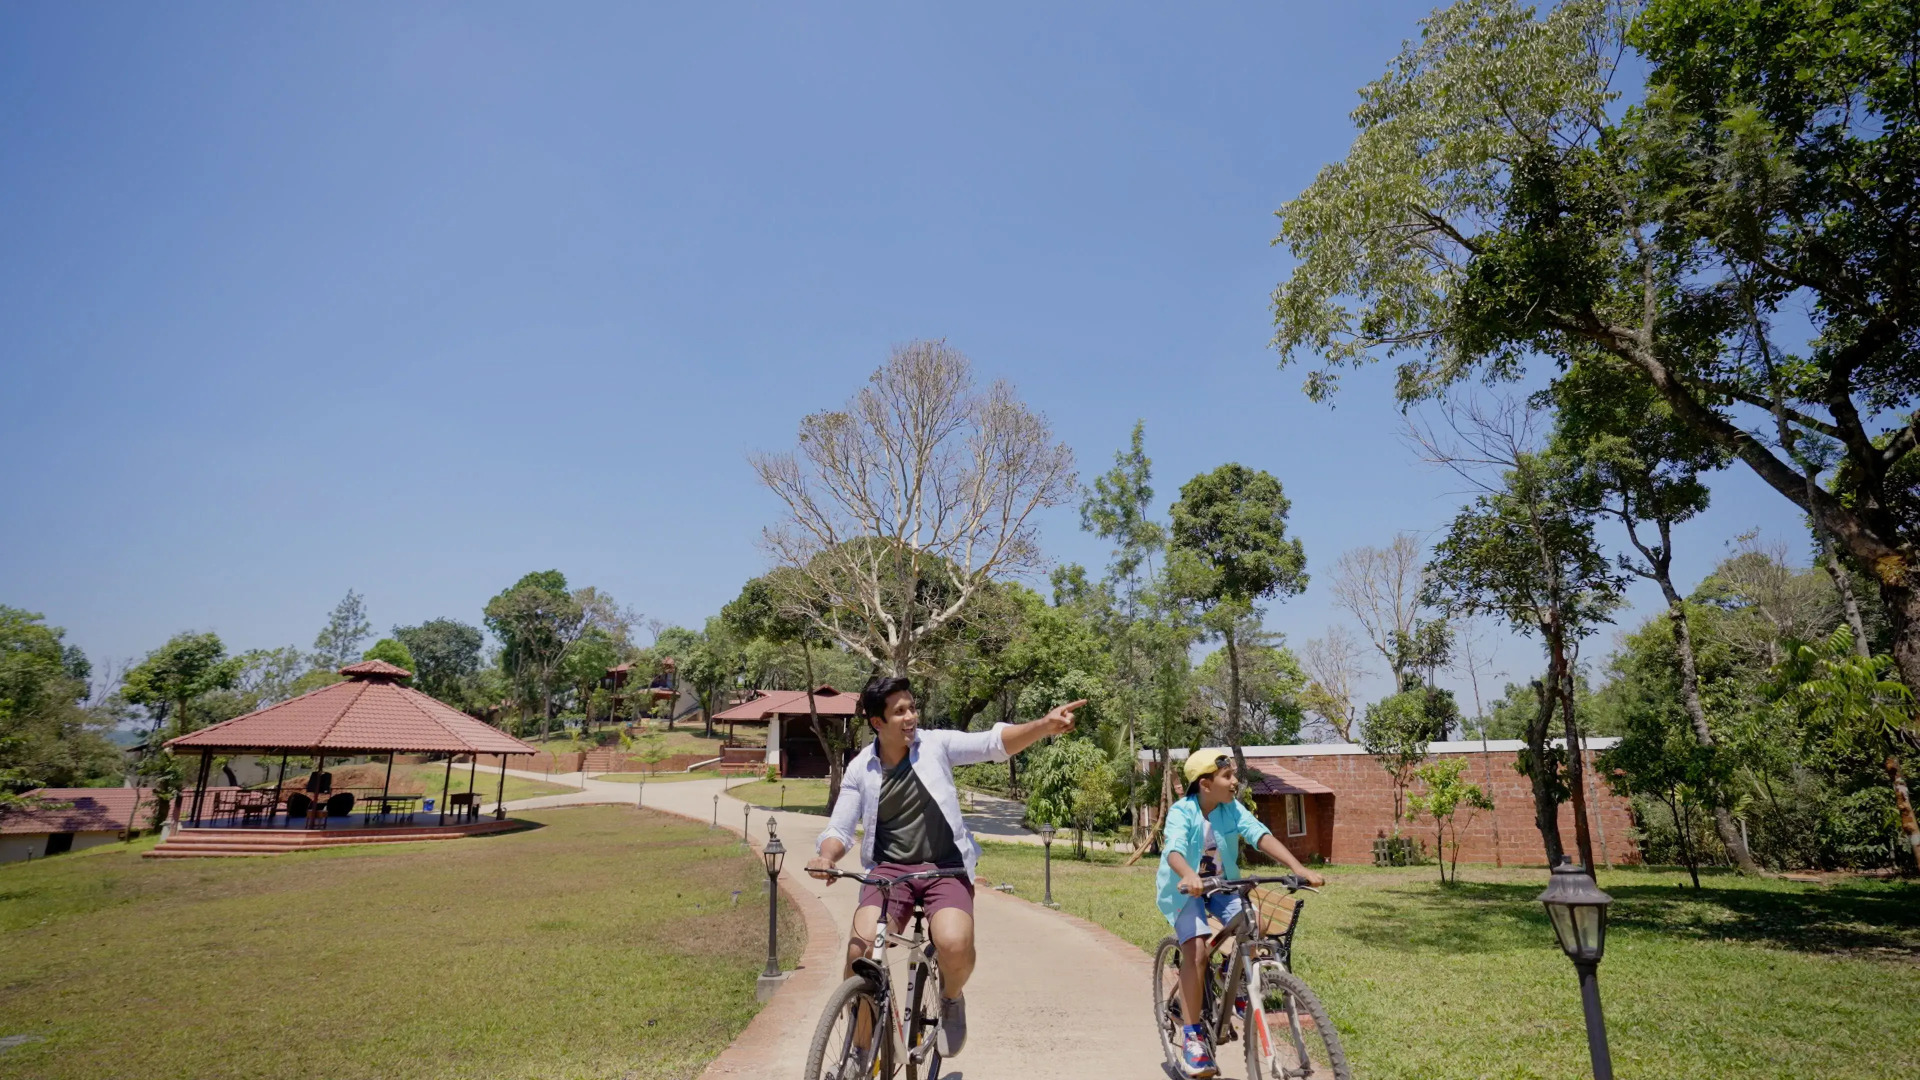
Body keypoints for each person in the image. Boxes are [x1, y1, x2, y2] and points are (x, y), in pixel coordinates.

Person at [807, 674, 1082, 1060]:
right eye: (900, 711)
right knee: (860, 951)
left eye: (912, 708)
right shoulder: (860, 768)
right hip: (890, 871)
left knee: (953, 942)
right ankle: (859, 1052)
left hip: (945, 868)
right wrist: (827, 857)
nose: (911, 717)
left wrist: (1043, 726)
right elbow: (839, 828)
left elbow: (992, 743)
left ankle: (951, 996)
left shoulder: (934, 745)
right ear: (877, 722)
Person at [1157, 748, 1325, 1079]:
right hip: (1185, 890)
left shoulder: (1230, 808)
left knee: (1256, 925)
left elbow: (1259, 834)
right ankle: (1192, 1036)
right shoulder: (1182, 811)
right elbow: (1174, 849)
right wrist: (1188, 874)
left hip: (1222, 885)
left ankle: (1228, 975)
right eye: (1227, 776)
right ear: (1206, 784)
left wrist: (1298, 867)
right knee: (1196, 951)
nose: (1235, 781)